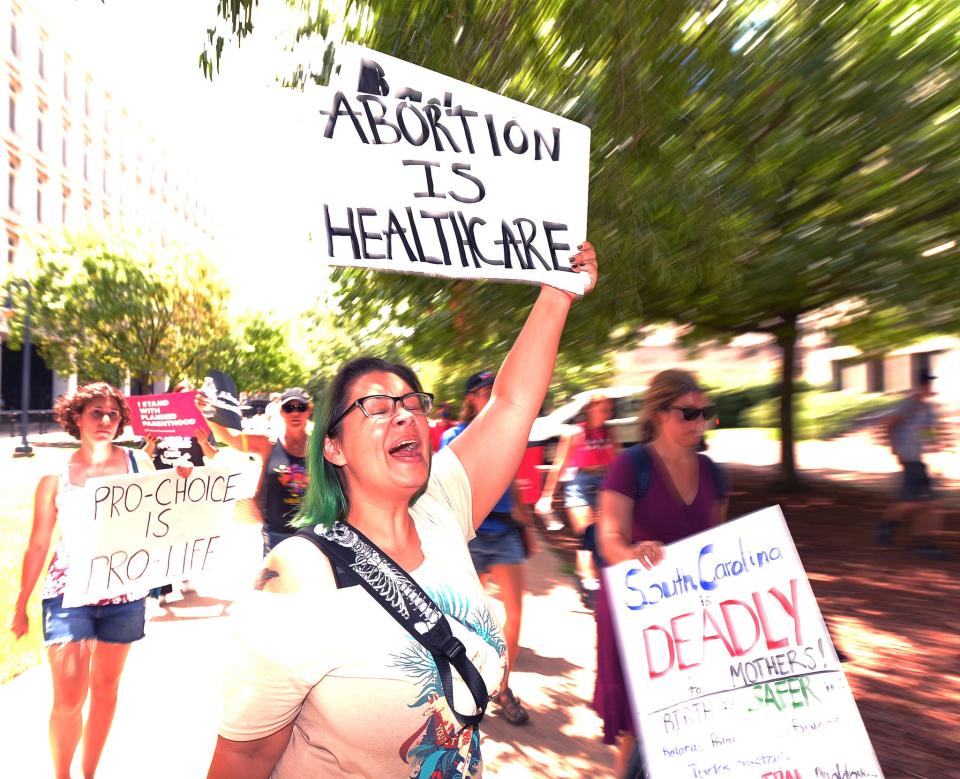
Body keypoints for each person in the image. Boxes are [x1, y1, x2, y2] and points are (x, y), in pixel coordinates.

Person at [206, 242, 597, 779]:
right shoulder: (298, 575)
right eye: (375, 407)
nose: (404, 416)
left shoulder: (442, 508)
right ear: (334, 447)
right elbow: (244, 755)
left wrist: (556, 293)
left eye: (413, 404)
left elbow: (511, 404)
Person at [10, 382, 154, 779]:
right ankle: (62, 774)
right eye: (96, 412)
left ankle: (89, 774)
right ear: (77, 417)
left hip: (124, 592)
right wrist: (21, 604)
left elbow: (169, 516)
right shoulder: (54, 477)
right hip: (67, 593)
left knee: (106, 690)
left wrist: (180, 479)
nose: (106, 420)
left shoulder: (139, 465)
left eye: (113, 414)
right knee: (69, 697)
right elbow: (38, 543)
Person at [594, 369, 728, 777]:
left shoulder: (715, 473)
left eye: (705, 413)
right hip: (641, 617)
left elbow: (720, 545)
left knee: (697, 720)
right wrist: (634, 553)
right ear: (658, 412)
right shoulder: (631, 466)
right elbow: (609, 540)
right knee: (641, 727)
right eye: (688, 413)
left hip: (694, 616)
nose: (699, 422)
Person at [440, 370, 537, 726]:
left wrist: (526, 524)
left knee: (515, 613)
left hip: (506, 531)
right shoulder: (454, 436)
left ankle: (504, 687)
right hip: (471, 535)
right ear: (471, 398)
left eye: (493, 390)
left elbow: (517, 483)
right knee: (461, 614)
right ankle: (459, 685)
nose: (489, 396)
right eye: (483, 392)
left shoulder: (509, 433)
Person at [201, 386, 311, 554]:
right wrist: (207, 411)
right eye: (289, 408)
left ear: (309, 410)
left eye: (300, 407)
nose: (295, 413)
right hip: (275, 536)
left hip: (311, 537)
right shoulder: (268, 444)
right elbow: (229, 438)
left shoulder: (322, 448)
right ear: (281, 412)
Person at [536, 392, 616, 605]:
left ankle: (590, 578)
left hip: (604, 481)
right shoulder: (573, 433)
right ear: (589, 409)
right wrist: (547, 496)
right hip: (578, 483)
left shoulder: (610, 432)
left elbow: (616, 462)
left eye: (609, 409)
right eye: (603, 409)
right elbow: (559, 464)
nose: (607, 413)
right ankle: (590, 583)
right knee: (589, 533)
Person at [143, 380, 219, 604]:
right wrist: (149, 443)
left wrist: (204, 442)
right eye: (181, 395)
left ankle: (185, 574)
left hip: (190, 490)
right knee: (162, 534)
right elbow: (144, 456)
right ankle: (164, 587)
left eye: (190, 396)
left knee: (186, 534)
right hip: (162, 489)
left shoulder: (199, 424)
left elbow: (213, 455)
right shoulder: (157, 422)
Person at [876, 369, 949, 559]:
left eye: (929, 384)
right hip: (910, 460)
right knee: (919, 503)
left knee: (923, 503)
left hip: (918, 460)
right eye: (926, 384)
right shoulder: (909, 404)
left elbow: (925, 432)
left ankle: (894, 530)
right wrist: (894, 448)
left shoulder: (927, 408)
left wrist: (936, 444)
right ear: (919, 385)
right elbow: (889, 424)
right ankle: (919, 542)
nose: (928, 387)